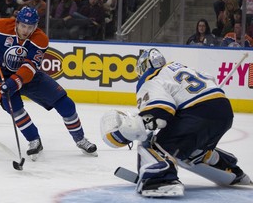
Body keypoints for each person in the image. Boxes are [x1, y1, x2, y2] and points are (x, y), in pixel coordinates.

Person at [100, 48, 252, 197]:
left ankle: (160, 181)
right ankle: (230, 169)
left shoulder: (150, 78)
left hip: (197, 113)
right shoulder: (180, 67)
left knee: (154, 145)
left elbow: (160, 110)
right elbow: (209, 79)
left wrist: (139, 124)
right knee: (191, 149)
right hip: (223, 110)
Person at [0, 6, 98, 161]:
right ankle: (34, 140)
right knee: (14, 108)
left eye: (30, 27)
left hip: (29, 77)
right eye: (23, 26)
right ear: (17, 22)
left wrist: (14, 82)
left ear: (36, 25)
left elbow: (30, 67)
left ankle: (80, 139)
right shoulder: (0, 26)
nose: (26, 30)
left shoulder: (40, 38)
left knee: (66, 104)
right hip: (2, 76)